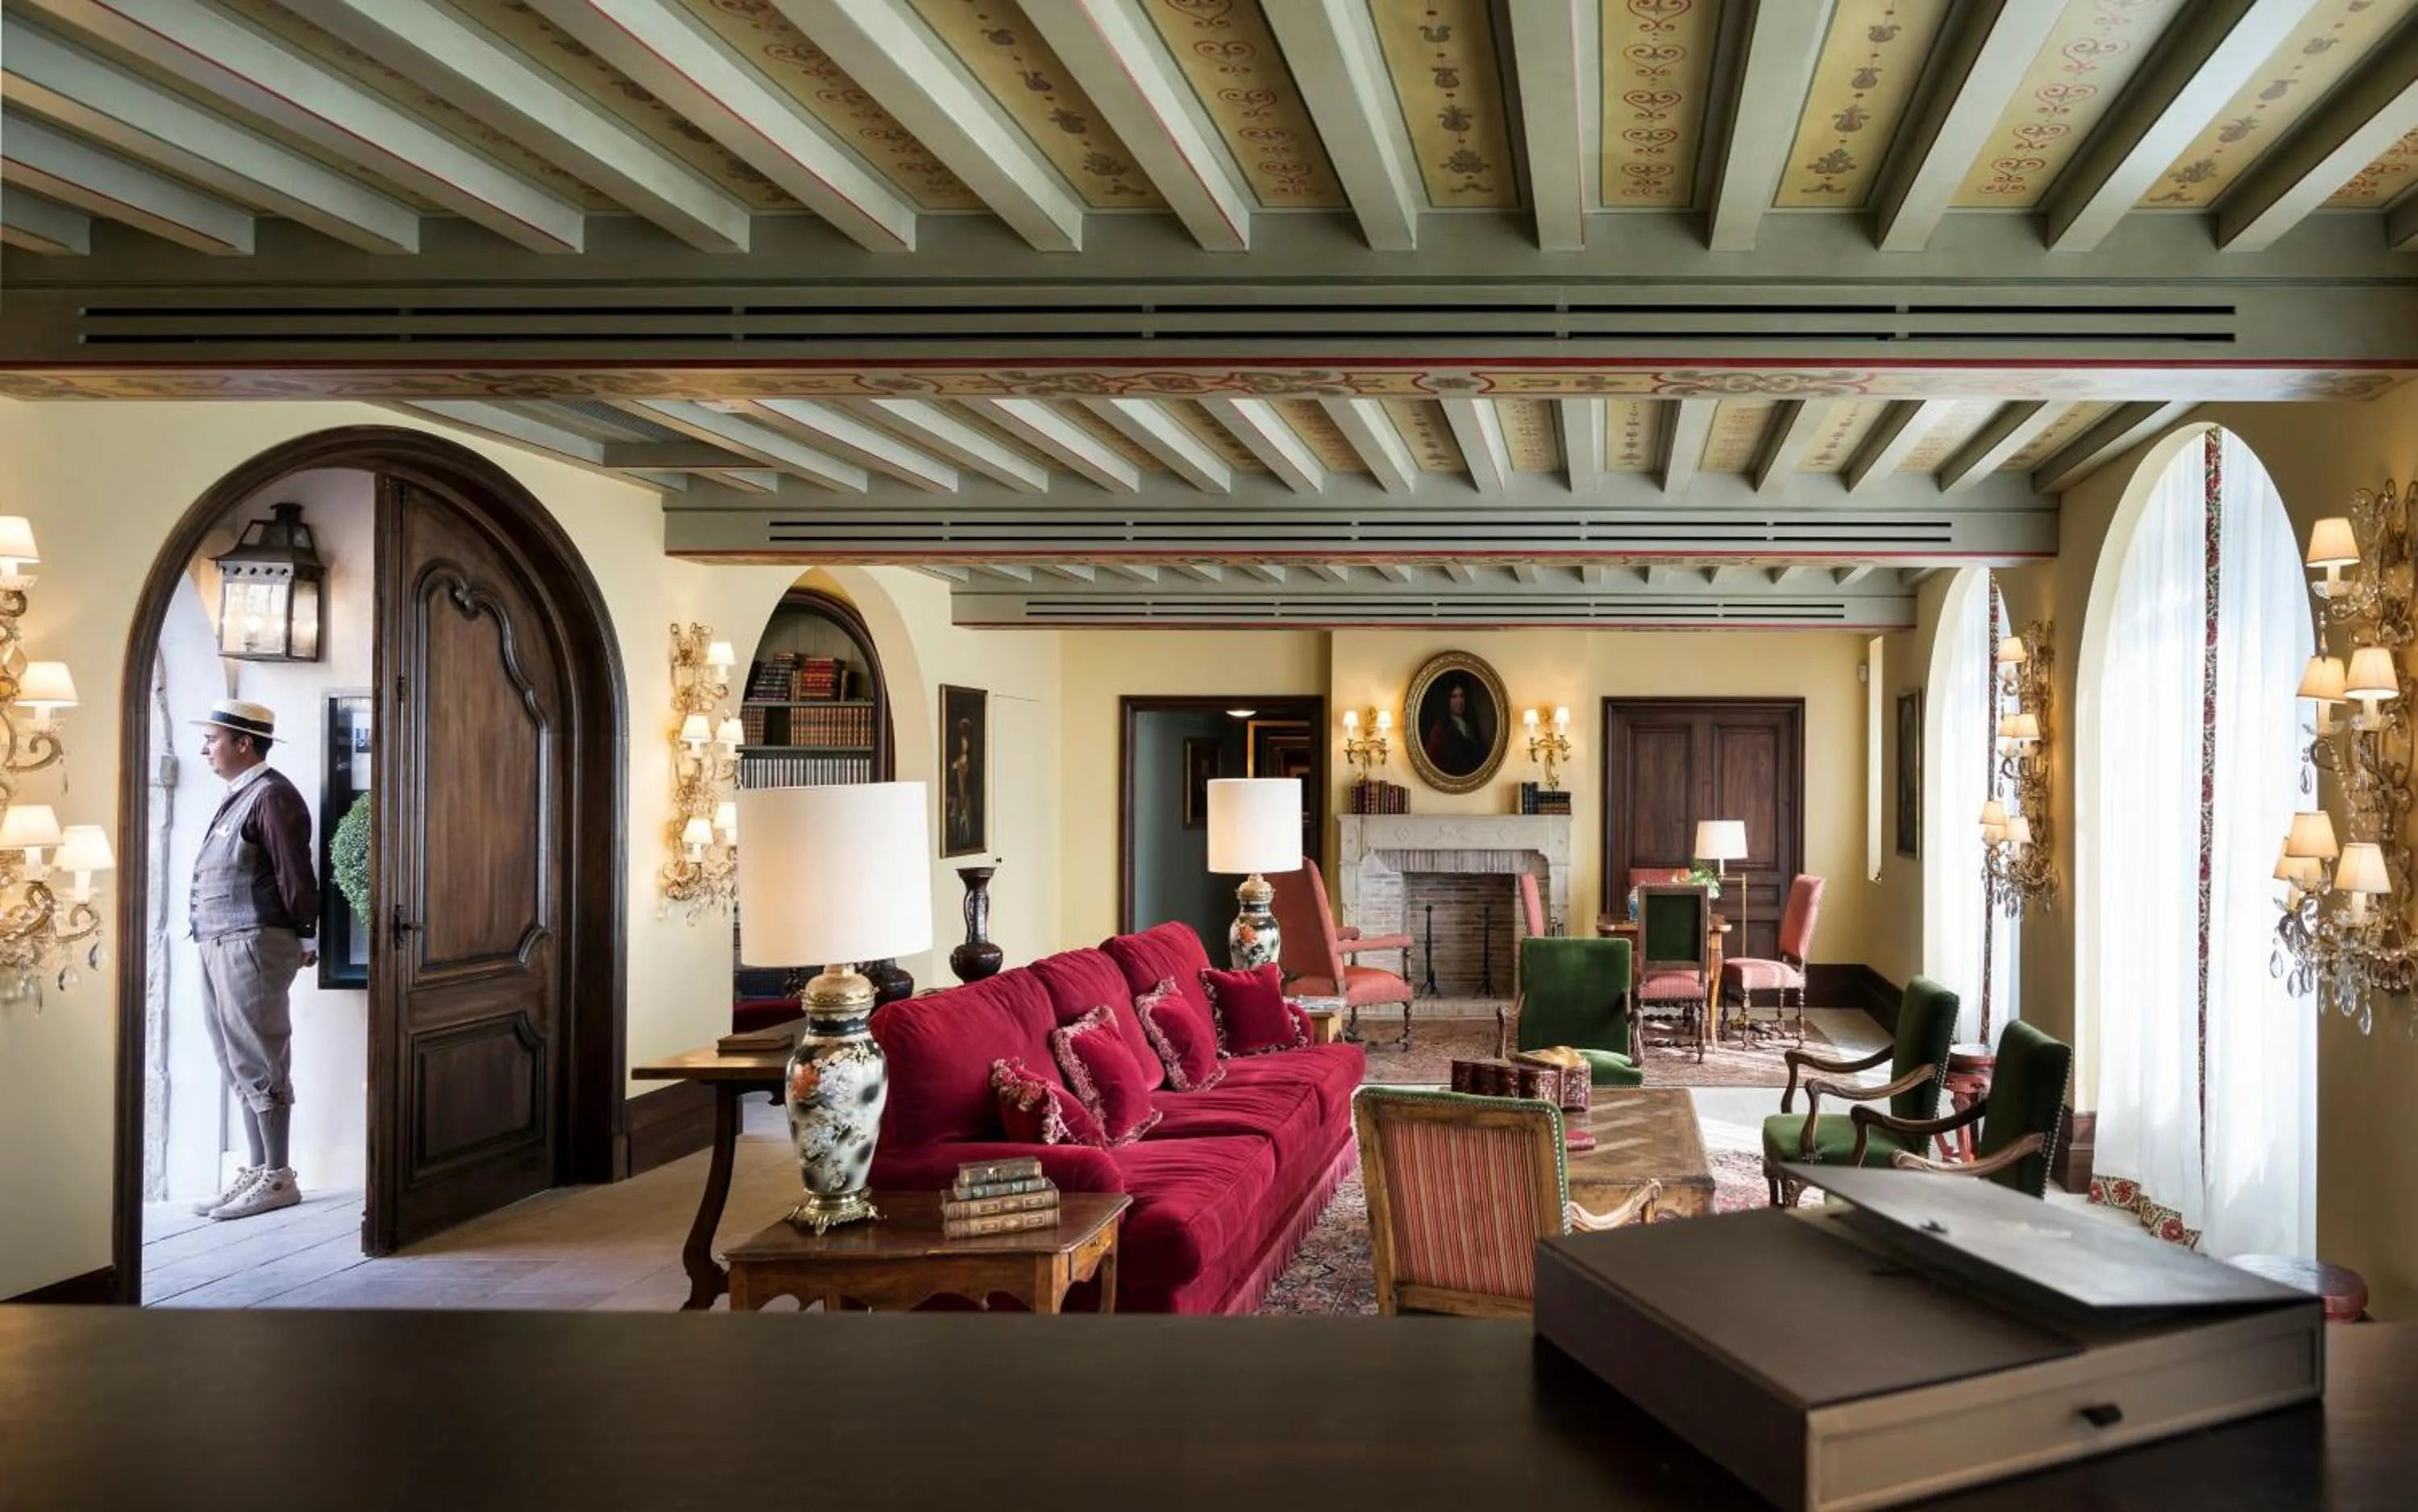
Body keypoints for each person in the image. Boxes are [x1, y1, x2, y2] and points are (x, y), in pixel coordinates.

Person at [186, 699, 320, 1222]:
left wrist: (307, 934)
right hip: (218, 940)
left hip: (252, 941)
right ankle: (258, 1166)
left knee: (261, 1055)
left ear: (244, 743)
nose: (204, 748)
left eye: (212, 739)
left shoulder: (271, 796)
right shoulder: (240, 795)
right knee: (231, 1056)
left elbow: (294, 871)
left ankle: (278, 1176)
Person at [1422, 678, 1489, 775]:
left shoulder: (1470, 725)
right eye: (1454, 697)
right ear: (1447, 700)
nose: (1459, 701)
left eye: (1462, 696)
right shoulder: (1440, 729)